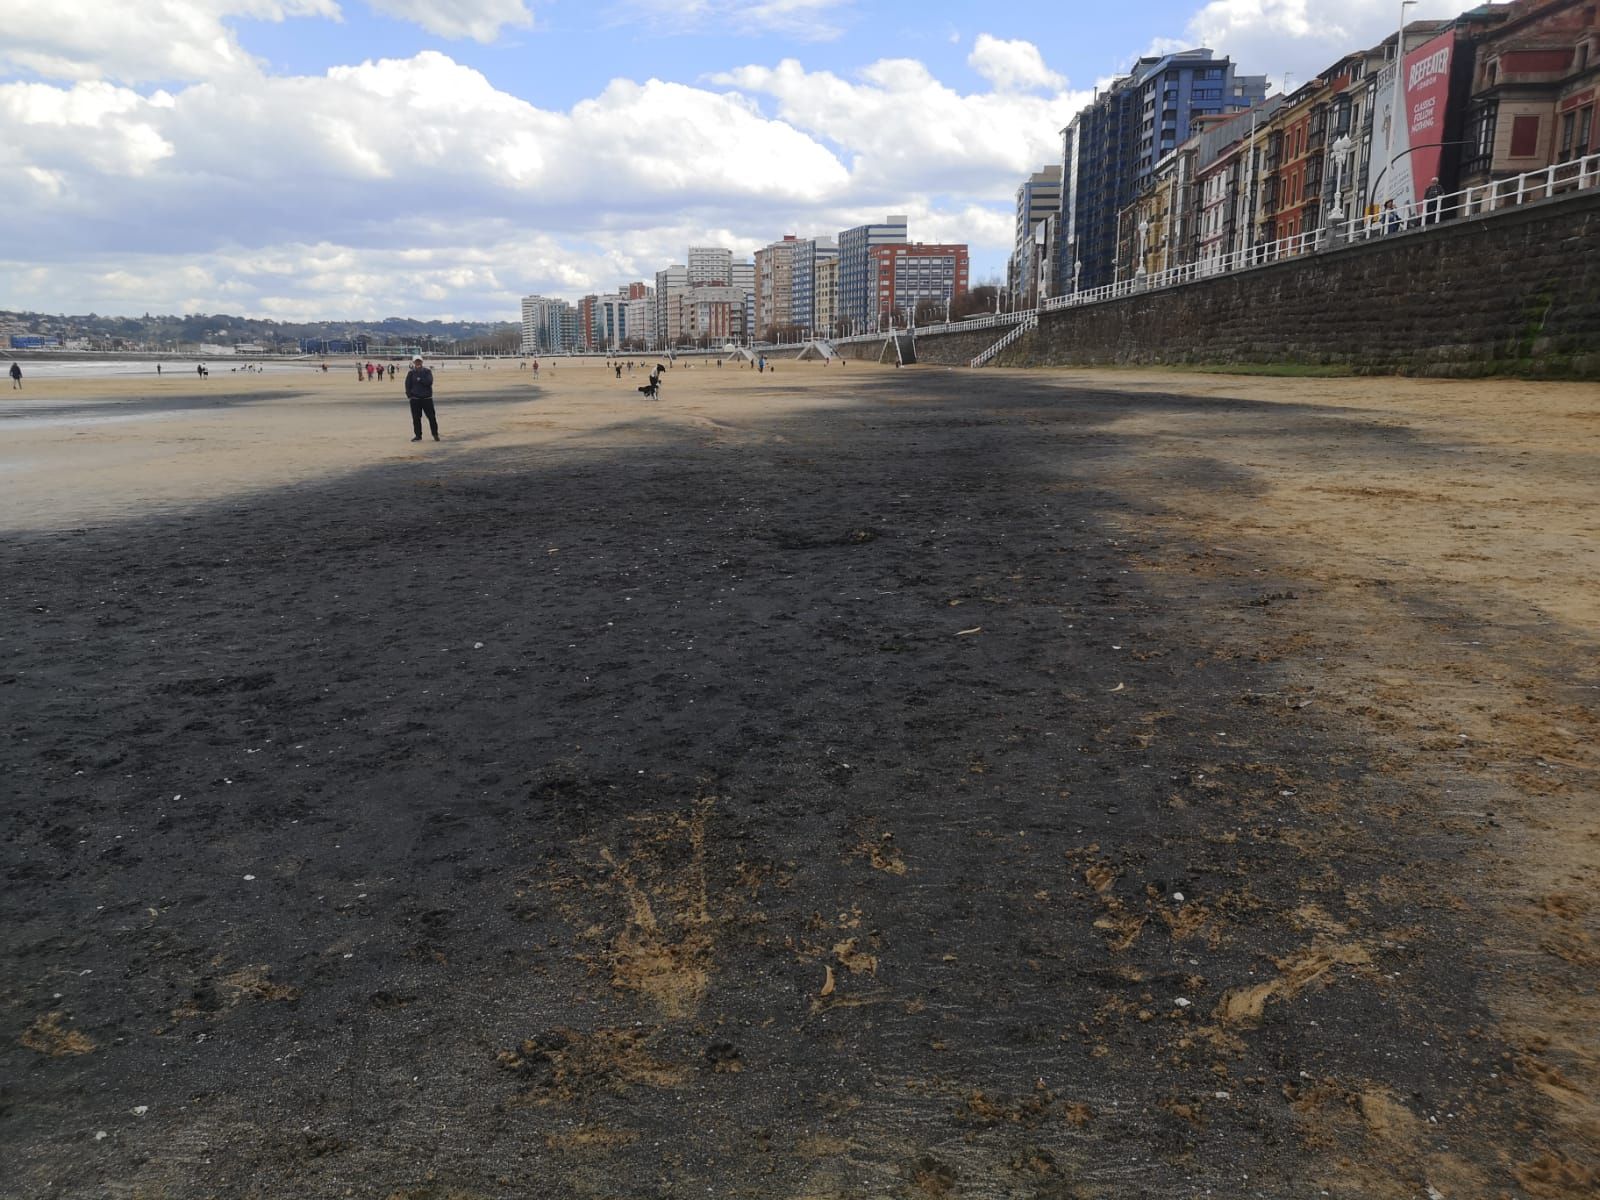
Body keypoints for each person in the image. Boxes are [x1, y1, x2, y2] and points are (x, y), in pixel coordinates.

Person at [405, 355, 439, 442]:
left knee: (431, 417)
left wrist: (420, 379)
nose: (418, 363)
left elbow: (429, 382)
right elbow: (407, 385)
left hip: (426, 398)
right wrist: (409, 396)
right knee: (416, 418)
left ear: (422, 362)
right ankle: (418, 435)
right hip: (415, 399)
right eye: (416, 361)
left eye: (419, 361)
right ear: (413, 363)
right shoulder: (411, 373)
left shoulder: (427, 371)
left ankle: (435, 434)